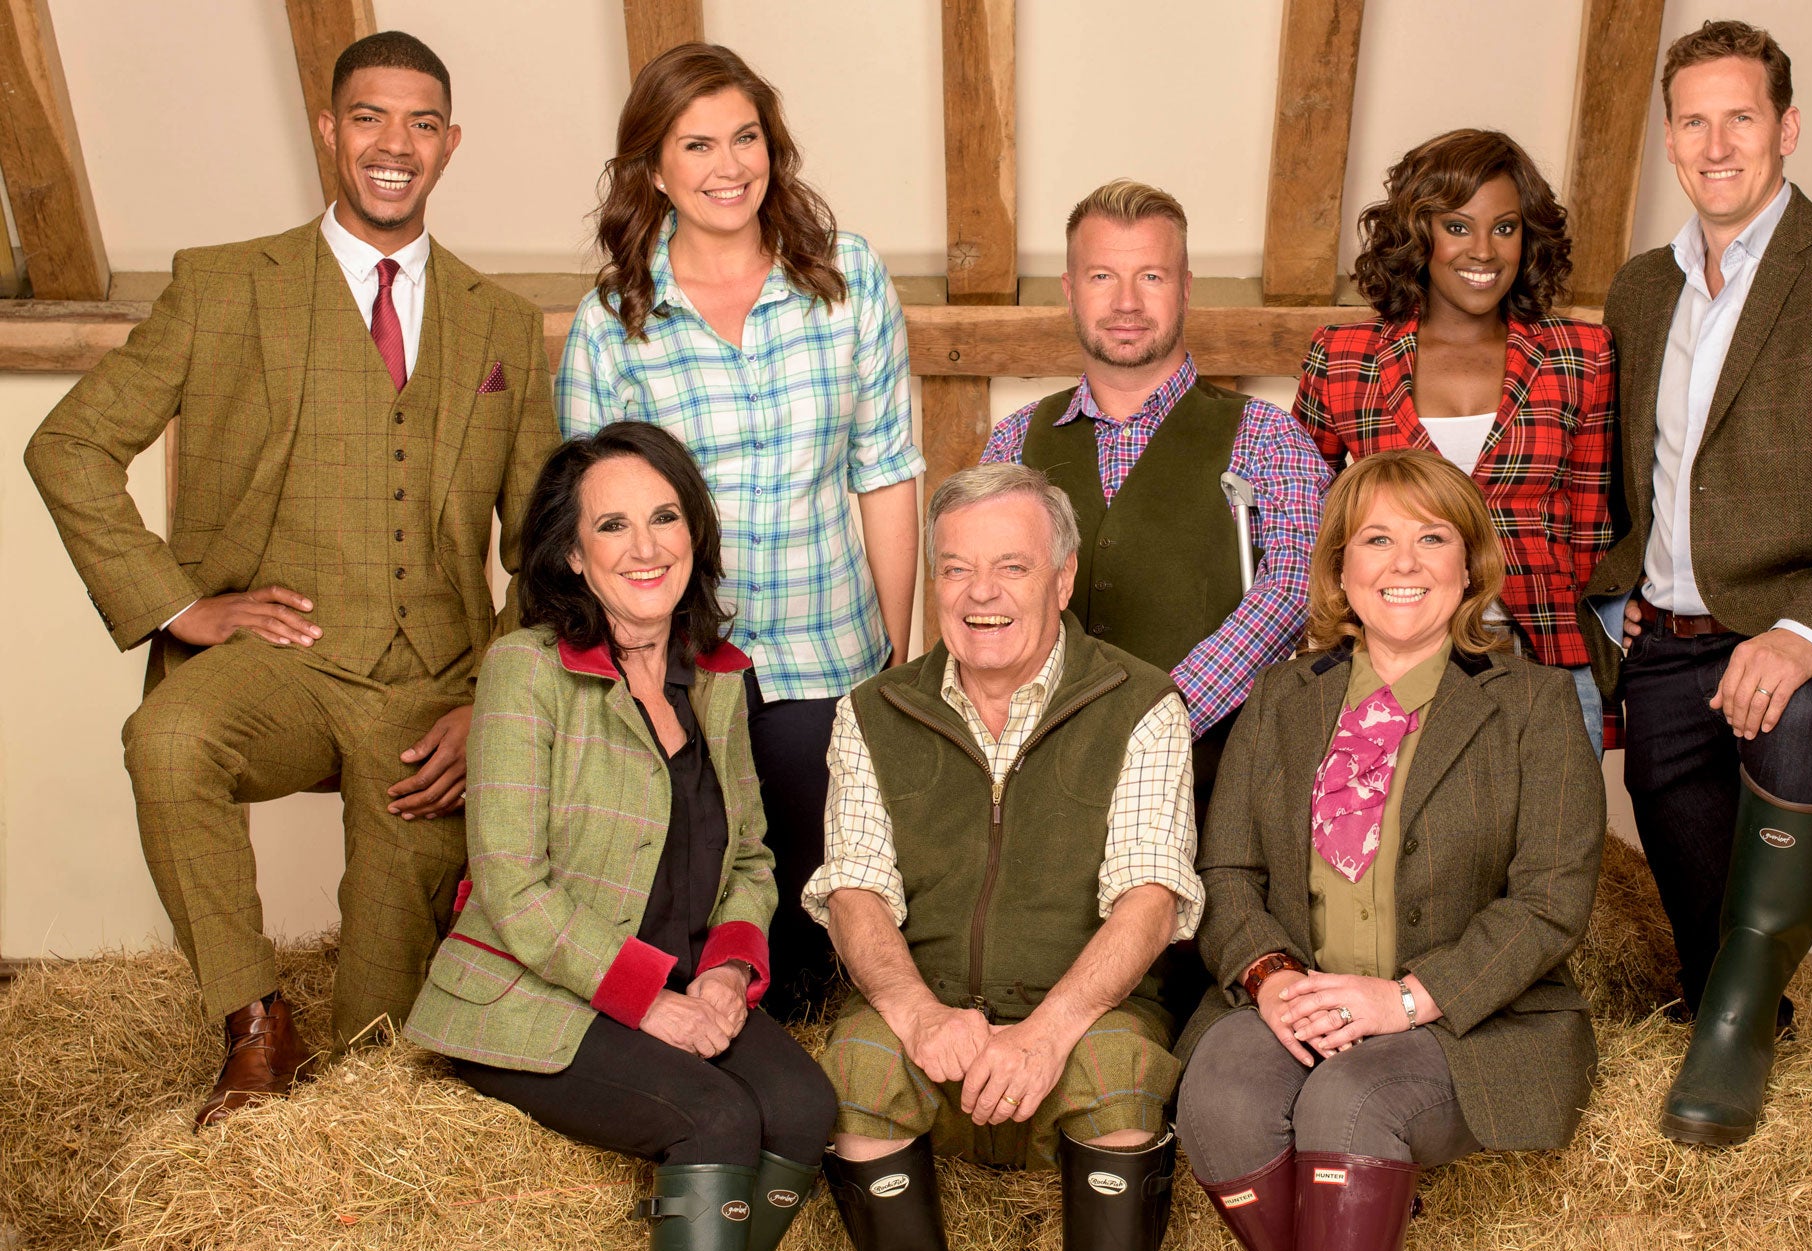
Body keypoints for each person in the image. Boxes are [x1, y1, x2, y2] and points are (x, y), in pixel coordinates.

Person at [25, 32, 560, 1129]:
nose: (393, 145)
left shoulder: (502, 323)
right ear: (329, 130)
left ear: (449, 144)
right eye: (369, 117)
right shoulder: (223, 287)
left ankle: (354, 1050)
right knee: (170, 741)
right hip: (284, 664)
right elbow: (68, 445)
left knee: (379, 1059)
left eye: (420, 123)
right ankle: (255, 1023)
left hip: (430, 696)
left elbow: (545, 544)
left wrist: (492, 704)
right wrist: (179, 603)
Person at [406, 422, 833, 1251]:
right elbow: (512, 886)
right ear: (570, 557)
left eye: (663, 517)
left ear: (693, 532)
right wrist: (656, 1001)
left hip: (691, 983)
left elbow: (750, 858)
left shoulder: (722, 679)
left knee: (803, 1105)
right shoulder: (526, 673)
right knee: (711, 1118)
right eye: (611, 525)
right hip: (532, 992)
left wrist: (732, 979)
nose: (644, 546)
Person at [1177, 449, 1604, 1251]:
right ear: (1336, 567)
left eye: (1430, 539)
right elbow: (1223, 875)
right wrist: (1270, 978)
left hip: (1464, 1021)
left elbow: (1551, 902)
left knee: (1348, 1100)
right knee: (1219, 1093)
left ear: (1468, 568)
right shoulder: (1281, 699)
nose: (1402, 563)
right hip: (1298, 996)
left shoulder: (1533, 705)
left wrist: (1399, 1001)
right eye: (1374, 539)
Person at [1576, 19, 1812, 1146]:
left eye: (1738, 115)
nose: (1714, 142)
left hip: (1803, 624)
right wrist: (1614, 615)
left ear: (1785, 128)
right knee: (1690, 887)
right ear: (1666, 140)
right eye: (1691, 120)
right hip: (1666, 641)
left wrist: (1805, 633)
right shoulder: (1640, 291)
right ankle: (1736, 1014)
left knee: (1789, 723)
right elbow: (1625, 481)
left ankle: (1735, 1032)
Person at [804, 463, 1202, 1251]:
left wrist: (1047, 1029)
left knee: (1119, 1070)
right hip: (929, 1017)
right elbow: (853, 889)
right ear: (932, 584)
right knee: (850, 1066)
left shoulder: (1141, 703)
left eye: (1010, 567)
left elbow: (1149, 896)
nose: (981, 594)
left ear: (1061, 579)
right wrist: (919, 1014)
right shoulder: (873, 711)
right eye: (956, 569)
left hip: (1074, 1022)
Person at [558, 42, 924, 1020]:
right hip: (681, 658)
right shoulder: (612, 321)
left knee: (826, 932)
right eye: (697, 144)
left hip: (825, 656)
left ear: (773, 144)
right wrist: (632, 678)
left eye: (745, 137)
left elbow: (883, 473)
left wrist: (890, 656)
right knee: (697, 919)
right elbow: (592, 521)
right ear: (652, 168)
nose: (728, 166)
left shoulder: (845, 281)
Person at [980, 179, 1331, 802]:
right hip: (1040, 785)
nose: (1125, 303)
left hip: (1213, 783)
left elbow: (1294, 587)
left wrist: (1161, 715)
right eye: (1100, 277)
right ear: (1068, 291)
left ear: (1186, 288)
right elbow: (980, 597)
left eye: (1151, 276)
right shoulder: (1013, 442)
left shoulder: (1267, 435)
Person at [1293, 129, 1614, 753]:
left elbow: (1590, 530)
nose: (1485, 250)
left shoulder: (1581, 355)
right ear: (1420, 234)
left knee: (1553, 846)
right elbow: (1313, 525)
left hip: (1543, 656)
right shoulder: (1342, 357)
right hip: (1384, 655)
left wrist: (1596, 648)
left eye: (1505, 227)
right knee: (1395, 848)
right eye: (1459, 226)